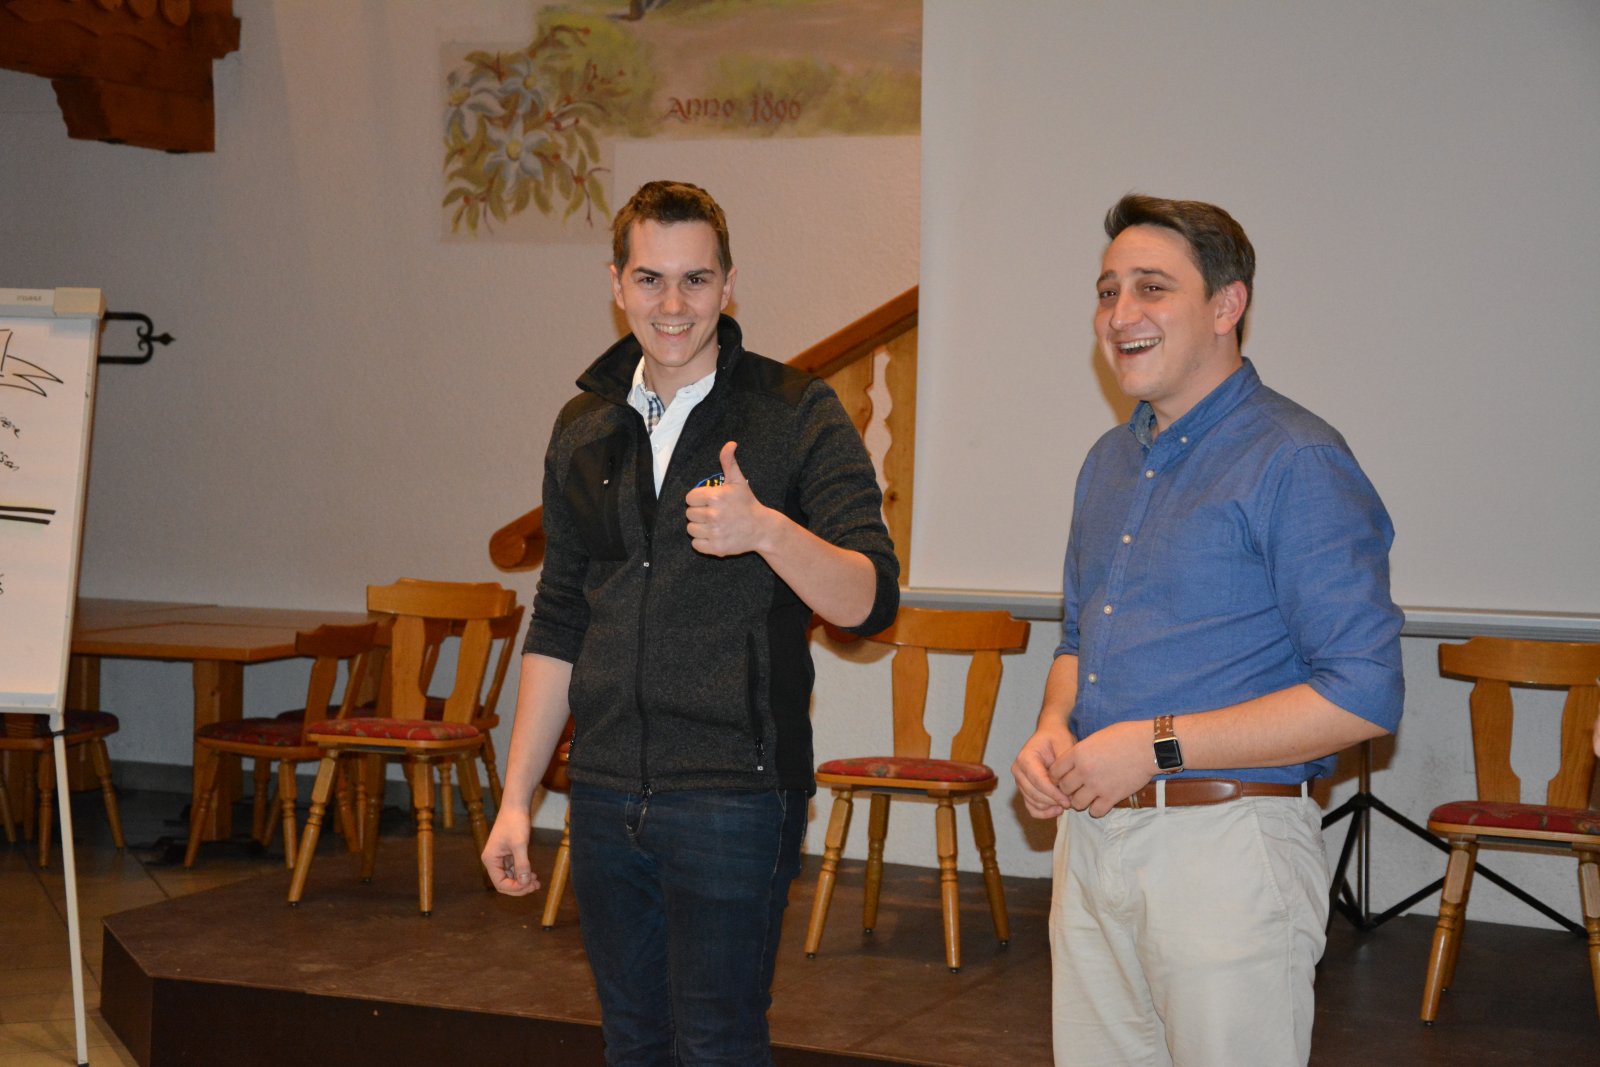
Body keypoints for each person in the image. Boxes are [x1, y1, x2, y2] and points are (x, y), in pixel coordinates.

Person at [481, 179, 900, 1066]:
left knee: (717, 1047)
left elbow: (870, 599)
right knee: (633, 1043)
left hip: (734, 794)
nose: (673, 305)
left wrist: (768, 531)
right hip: (603, 790)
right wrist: (516, 799)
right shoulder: (583, 424)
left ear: (728, 284)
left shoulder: (795, 412)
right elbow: (558, 619)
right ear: (617, 284)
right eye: (650, 279)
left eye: (696, 280)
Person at [1012, 193, 1404, 1067]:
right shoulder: (1108, 461)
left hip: (1228, 850)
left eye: (1152, 288)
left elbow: (1364, 692)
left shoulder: (1296, 459)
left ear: (1228, 305)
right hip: (1092, 841)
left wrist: (1153, 747)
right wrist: (1052, 729)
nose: (1120, 314)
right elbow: (1078, 641)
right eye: (1108, 291)